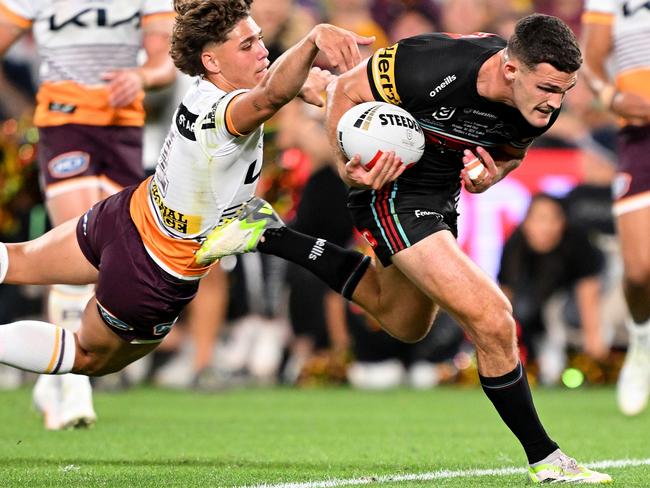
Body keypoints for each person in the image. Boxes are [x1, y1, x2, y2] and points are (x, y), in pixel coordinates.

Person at [200, 13, 612, 483]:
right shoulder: (432, 64)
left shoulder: (539, 102)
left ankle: (270, 234)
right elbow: (346, 91)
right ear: (511, 69)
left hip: (439, 192)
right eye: (547, 89)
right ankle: (547, 459)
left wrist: (496, 172)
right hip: (388, 186)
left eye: (564, 90)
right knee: (494, 317)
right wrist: (343, 164)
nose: (555, 102)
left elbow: (512, 151)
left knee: (404, 321)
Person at [0, 0, 372, 417]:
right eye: (247, 44)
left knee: (14, 260)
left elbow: (270, 87)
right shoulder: (225, 112)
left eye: (260, 40)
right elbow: (268, 96)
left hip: (125, 215)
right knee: (88, 357)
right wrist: (311, 42)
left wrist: (299, 78)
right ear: (211, 59)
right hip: (152, 270)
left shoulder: (207, 87)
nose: (262, 50)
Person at [0, 0, 177, 429]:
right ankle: (75, 385)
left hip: (122, 130)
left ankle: (54, 377)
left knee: (104, 257)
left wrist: (140, 76)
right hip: (64, 123)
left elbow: (164, 63)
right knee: (74, 239)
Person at [581, 0, 650, 417]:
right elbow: (588, 60)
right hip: (641, 136)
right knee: (639, 271)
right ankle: (641, 340)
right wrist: (609, 94)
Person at [498, 193, 607, 384]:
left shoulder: (577, 240)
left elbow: (588, 290)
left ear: (563, 222)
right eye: (540, 219)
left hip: (600, 288)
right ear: (527, 223)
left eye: (553, 219)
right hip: (542, 299)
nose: (546, 227)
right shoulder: (515, 244)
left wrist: (594, 341)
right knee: (523, 309)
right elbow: (504, 294)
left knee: (566, 312)